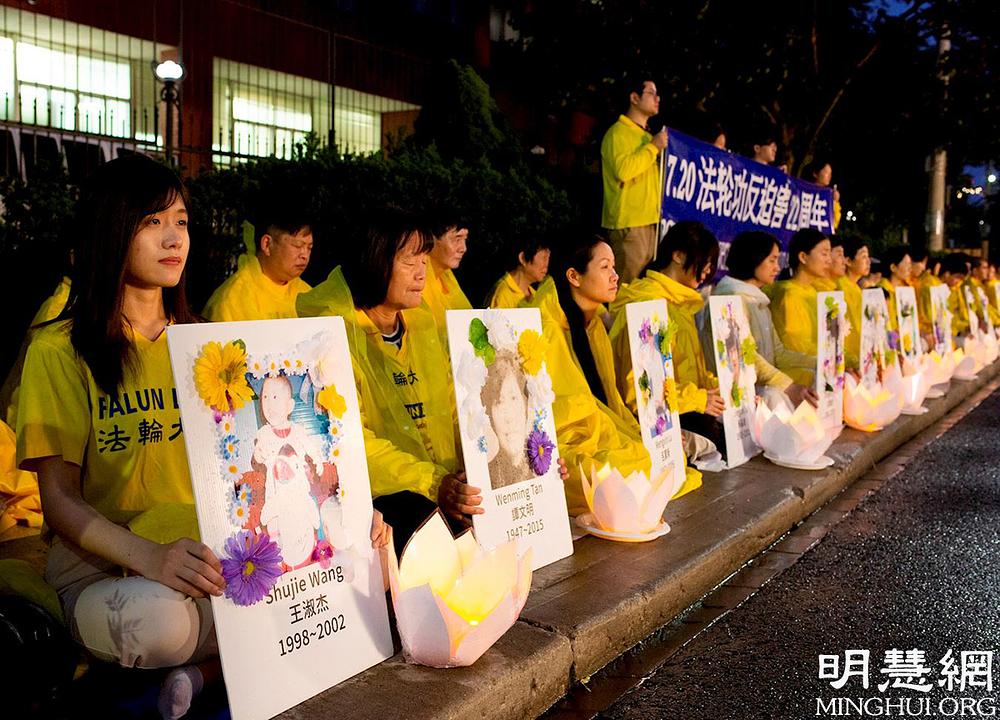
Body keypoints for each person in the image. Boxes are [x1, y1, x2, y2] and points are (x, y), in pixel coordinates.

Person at [16, 156, 389, 720]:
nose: (174, 238)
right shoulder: (59, 350)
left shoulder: (210, 348)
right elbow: (59, 500)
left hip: (207, 556)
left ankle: (205, 669)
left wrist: (341, 512)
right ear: (110, 229)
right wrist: (149, 557)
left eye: (182, 222)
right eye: (152, 222)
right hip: (105, 566)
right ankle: (227, 655)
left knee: (372, 564)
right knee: (158, 623)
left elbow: (258, 462)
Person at [530, 235, 700, 514]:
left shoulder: (594, 325)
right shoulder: (547, 328)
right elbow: (567, 420)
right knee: (629, 470)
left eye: (614, 266)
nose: (615, 276)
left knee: (661, 455)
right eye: (605, 267)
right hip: (565, 449)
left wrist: (650, 436)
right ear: (573, 276)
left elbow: (613, 404)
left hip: (600, 433)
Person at [609, 222, 728, 453]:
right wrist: (697, 399)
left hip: (686, 408)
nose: (708, 270)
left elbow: (692, 370)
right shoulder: (648, 303)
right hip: (659, 418)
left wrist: (719, 390)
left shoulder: (681, 304)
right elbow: (641, 388)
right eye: (705, 261)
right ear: (678, 256)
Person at [711, 231, 818, 406]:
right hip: (733, 401)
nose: (777, 268)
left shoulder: (758, 301)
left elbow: (778, 353)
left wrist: (819, 362)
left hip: (759, 392)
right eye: (772, 260)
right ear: (754, 258)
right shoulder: (730, 299)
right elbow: (745, 356)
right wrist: (788, 386)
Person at [600, 78, 668, 283]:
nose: (657, 98)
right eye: (651, 93)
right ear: (634, 98)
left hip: (650, 223)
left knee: (641, 290)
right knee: (623, 288)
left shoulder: (647, 136)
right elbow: (624, 170)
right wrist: (653, 148)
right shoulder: (618, 132)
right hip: (629, 224)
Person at [201, 207, 313, 321]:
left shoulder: (306, 293)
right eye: (298, 246)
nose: (305, 255)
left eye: (309, 248)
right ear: (267, 244)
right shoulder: (233, 299)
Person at [765, 229, 832, 385]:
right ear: (803, 257)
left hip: (816, 364)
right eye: (824, 254)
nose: (829, 260)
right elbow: (796, 346)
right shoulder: (789, 294)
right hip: (795, 374)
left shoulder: (813, 292)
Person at [422, 212, 472, 344]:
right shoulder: (418, 282)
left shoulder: (446, 277)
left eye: (465, 240)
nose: (463, 248)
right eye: (457, 239)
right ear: (432, 239)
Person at [487, 236, 551, 309]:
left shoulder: (534, 295)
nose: (546, 264)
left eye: (548, 258)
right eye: (544, 257)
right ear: (522, 258)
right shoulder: (502, 294)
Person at [840, 238, 870, 370]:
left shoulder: (857, 289)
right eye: (863, 257)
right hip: (848, 361)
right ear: (848, 261)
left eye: (868, 257)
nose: (868, 261)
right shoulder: (840, 287)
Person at [804, 159, 842, 230]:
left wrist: (835, 202)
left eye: (830, 173)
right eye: (826, 172)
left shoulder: (829, 197)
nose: (829, 176)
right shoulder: (805, 191)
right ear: (815, 173)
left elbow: (834, 223)